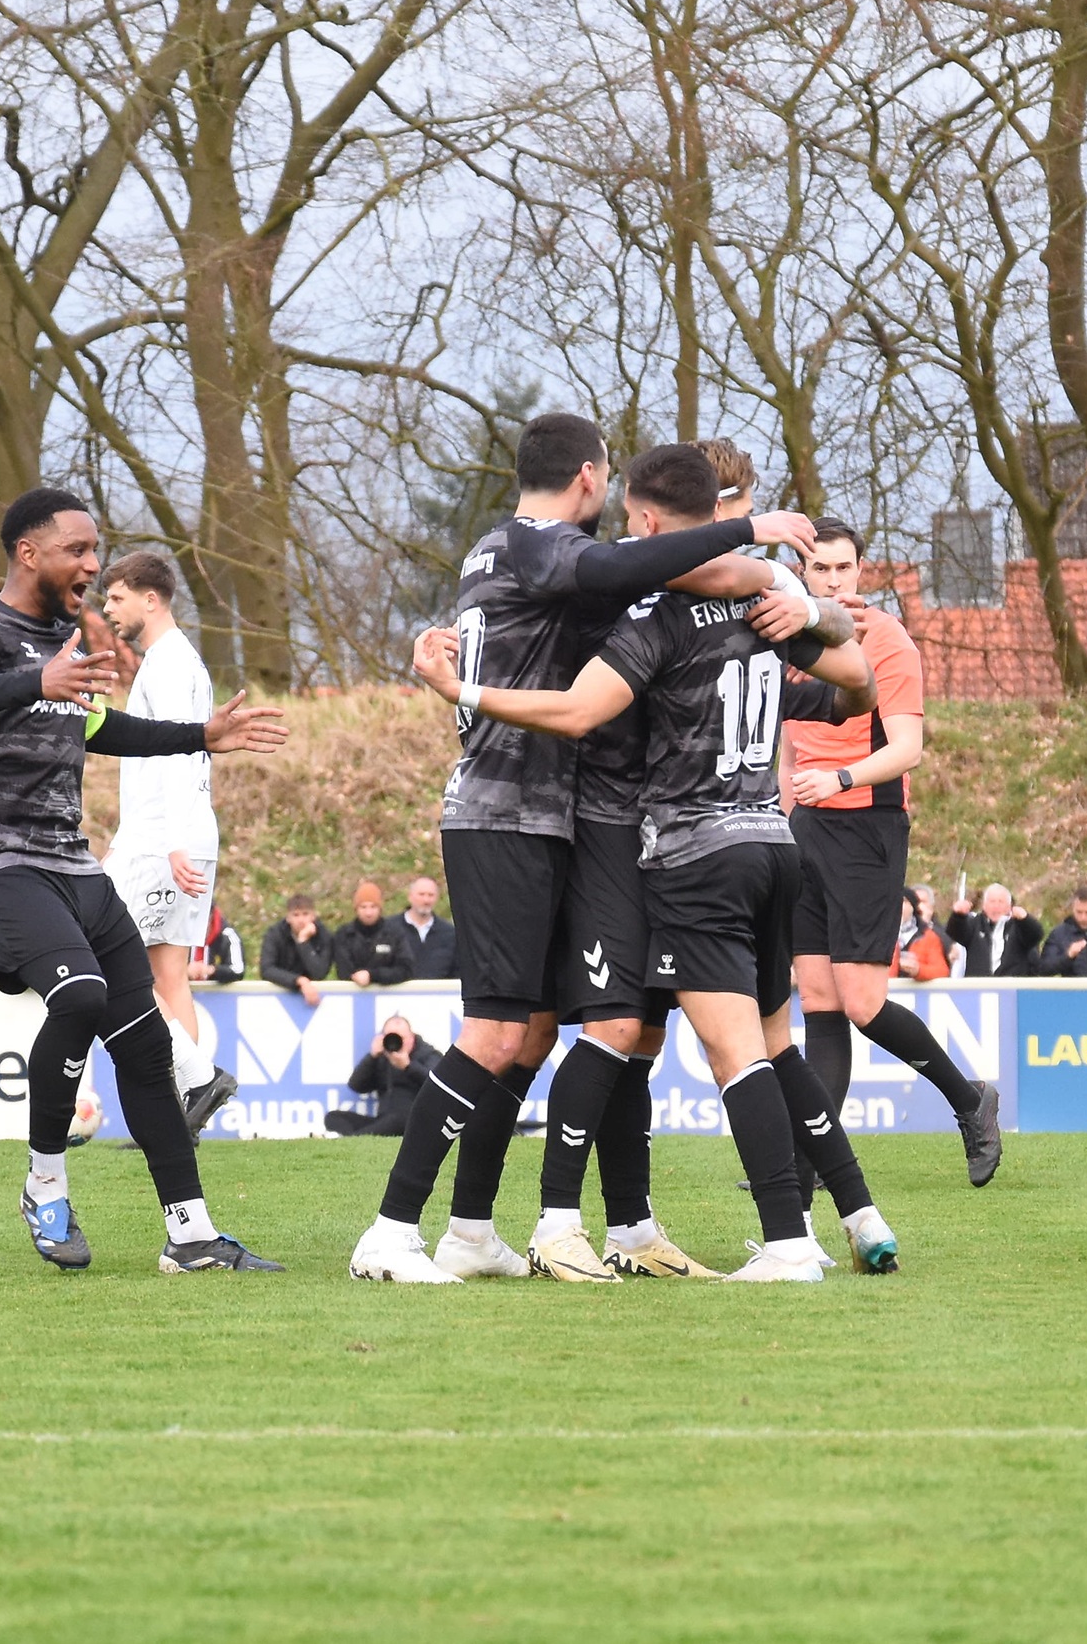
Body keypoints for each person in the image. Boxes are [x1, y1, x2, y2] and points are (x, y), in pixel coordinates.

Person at [346, 414, 824, 1285]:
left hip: (541, 819)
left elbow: (670, 576)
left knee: (533, 1034)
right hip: (509, 815)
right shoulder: (541, 546)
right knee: (503, 1031)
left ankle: (480, 1229)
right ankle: (392, 1231)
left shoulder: (504, 553)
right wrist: (755, 538)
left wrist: (797, 596)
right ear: (590, 478)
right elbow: (645, 570)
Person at [0, 483, 289, 1272]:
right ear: (28, 552)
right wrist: (36, 682)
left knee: (145, 1044)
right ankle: (44, 1186)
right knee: (83, 996)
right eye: (78, 550)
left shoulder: (67, 638)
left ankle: (191, 1236)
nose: (93, 565)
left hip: (74, 863)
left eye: (96, 551)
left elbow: (96, 726)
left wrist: (200, 734)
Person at [784, 514, 1001, 1188]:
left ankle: (970, 1100)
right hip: (806, 829)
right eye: (819, 568)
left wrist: (841, 778)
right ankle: (808, 1165)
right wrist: (785, 817)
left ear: (860, 571)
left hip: (867, 827)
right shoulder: (787, 638)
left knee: (862, 1003)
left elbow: (908, 748)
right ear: (800, 573)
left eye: (843, 567)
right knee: (818, 1002)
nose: (832, 579)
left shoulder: (887, 638)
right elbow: (790, 751)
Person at [99, 550, 240, 1137]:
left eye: (117, 597)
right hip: (168, 836)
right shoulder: (176, 660)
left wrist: (175, 842)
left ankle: (197, 1081)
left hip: (162, 842)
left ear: (150, 599)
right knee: (168, 976)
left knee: (102, 957)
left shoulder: (169, 663)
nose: (108, 609)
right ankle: (188, 1107)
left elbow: (183, 750)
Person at [325, 1015, 443, 1136]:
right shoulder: (382, 1057)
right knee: (332, 1117)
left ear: (411, 1038)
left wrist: (408, 1066)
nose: (396, 1042)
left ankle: (354, 1140)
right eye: (390, 1037)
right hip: (384, 1119)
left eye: (401, 1038)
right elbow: (356, 1085)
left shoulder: (429, 1055)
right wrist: (372, 1056)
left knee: (396, 1120)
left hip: (413, 1120)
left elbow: (438, 1085)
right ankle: (357, 1137)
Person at [946, 883, 1040, 977]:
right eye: (992, 902)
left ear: (1009, 906)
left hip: (1011, 983)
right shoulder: (975, 924)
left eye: (1001, 902)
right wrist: (958, 916)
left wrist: (1025, 919)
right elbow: (955, 932)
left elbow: (1036, 935)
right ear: (984, 905)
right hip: (979, 983)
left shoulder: (1018, 926)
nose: (996, 906)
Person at [332, 881, 416, 986]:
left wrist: (373, 975)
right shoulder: (344, 934)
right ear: (356, 909)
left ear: (380, 908)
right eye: (363, 907)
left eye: (373, 907)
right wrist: (359, 977)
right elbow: (344, 971)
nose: (368, 913)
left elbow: (405, 969)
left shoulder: (395, 933)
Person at [259, 895, 334, 1004]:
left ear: (313, 916)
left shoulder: (324, 935)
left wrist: (303, 942)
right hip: (280, 992)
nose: (301, 920)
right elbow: (267, 969)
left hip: (312, 997)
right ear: (288, 918)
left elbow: (320, 973)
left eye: (305, 914)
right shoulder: (275, 934)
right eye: (296, 915)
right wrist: (299, 981)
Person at [397, 876, 456, 979]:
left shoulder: (450, 933)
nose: (426, 900)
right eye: (421, 894)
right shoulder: (389, 928)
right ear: (410, 896)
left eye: (431, 895)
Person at [895, 890, 949, 982]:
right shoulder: (880, 934)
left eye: (904, 901)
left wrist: (918, 970)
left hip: (914, 989)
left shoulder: (928, 937)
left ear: (913, 907)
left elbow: (942, 971)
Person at [192, 905, 244, 984]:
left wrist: (212, 970)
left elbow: (238, 970)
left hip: (213, 990)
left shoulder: (227, 934)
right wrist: (184, 971)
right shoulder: (177, 933)